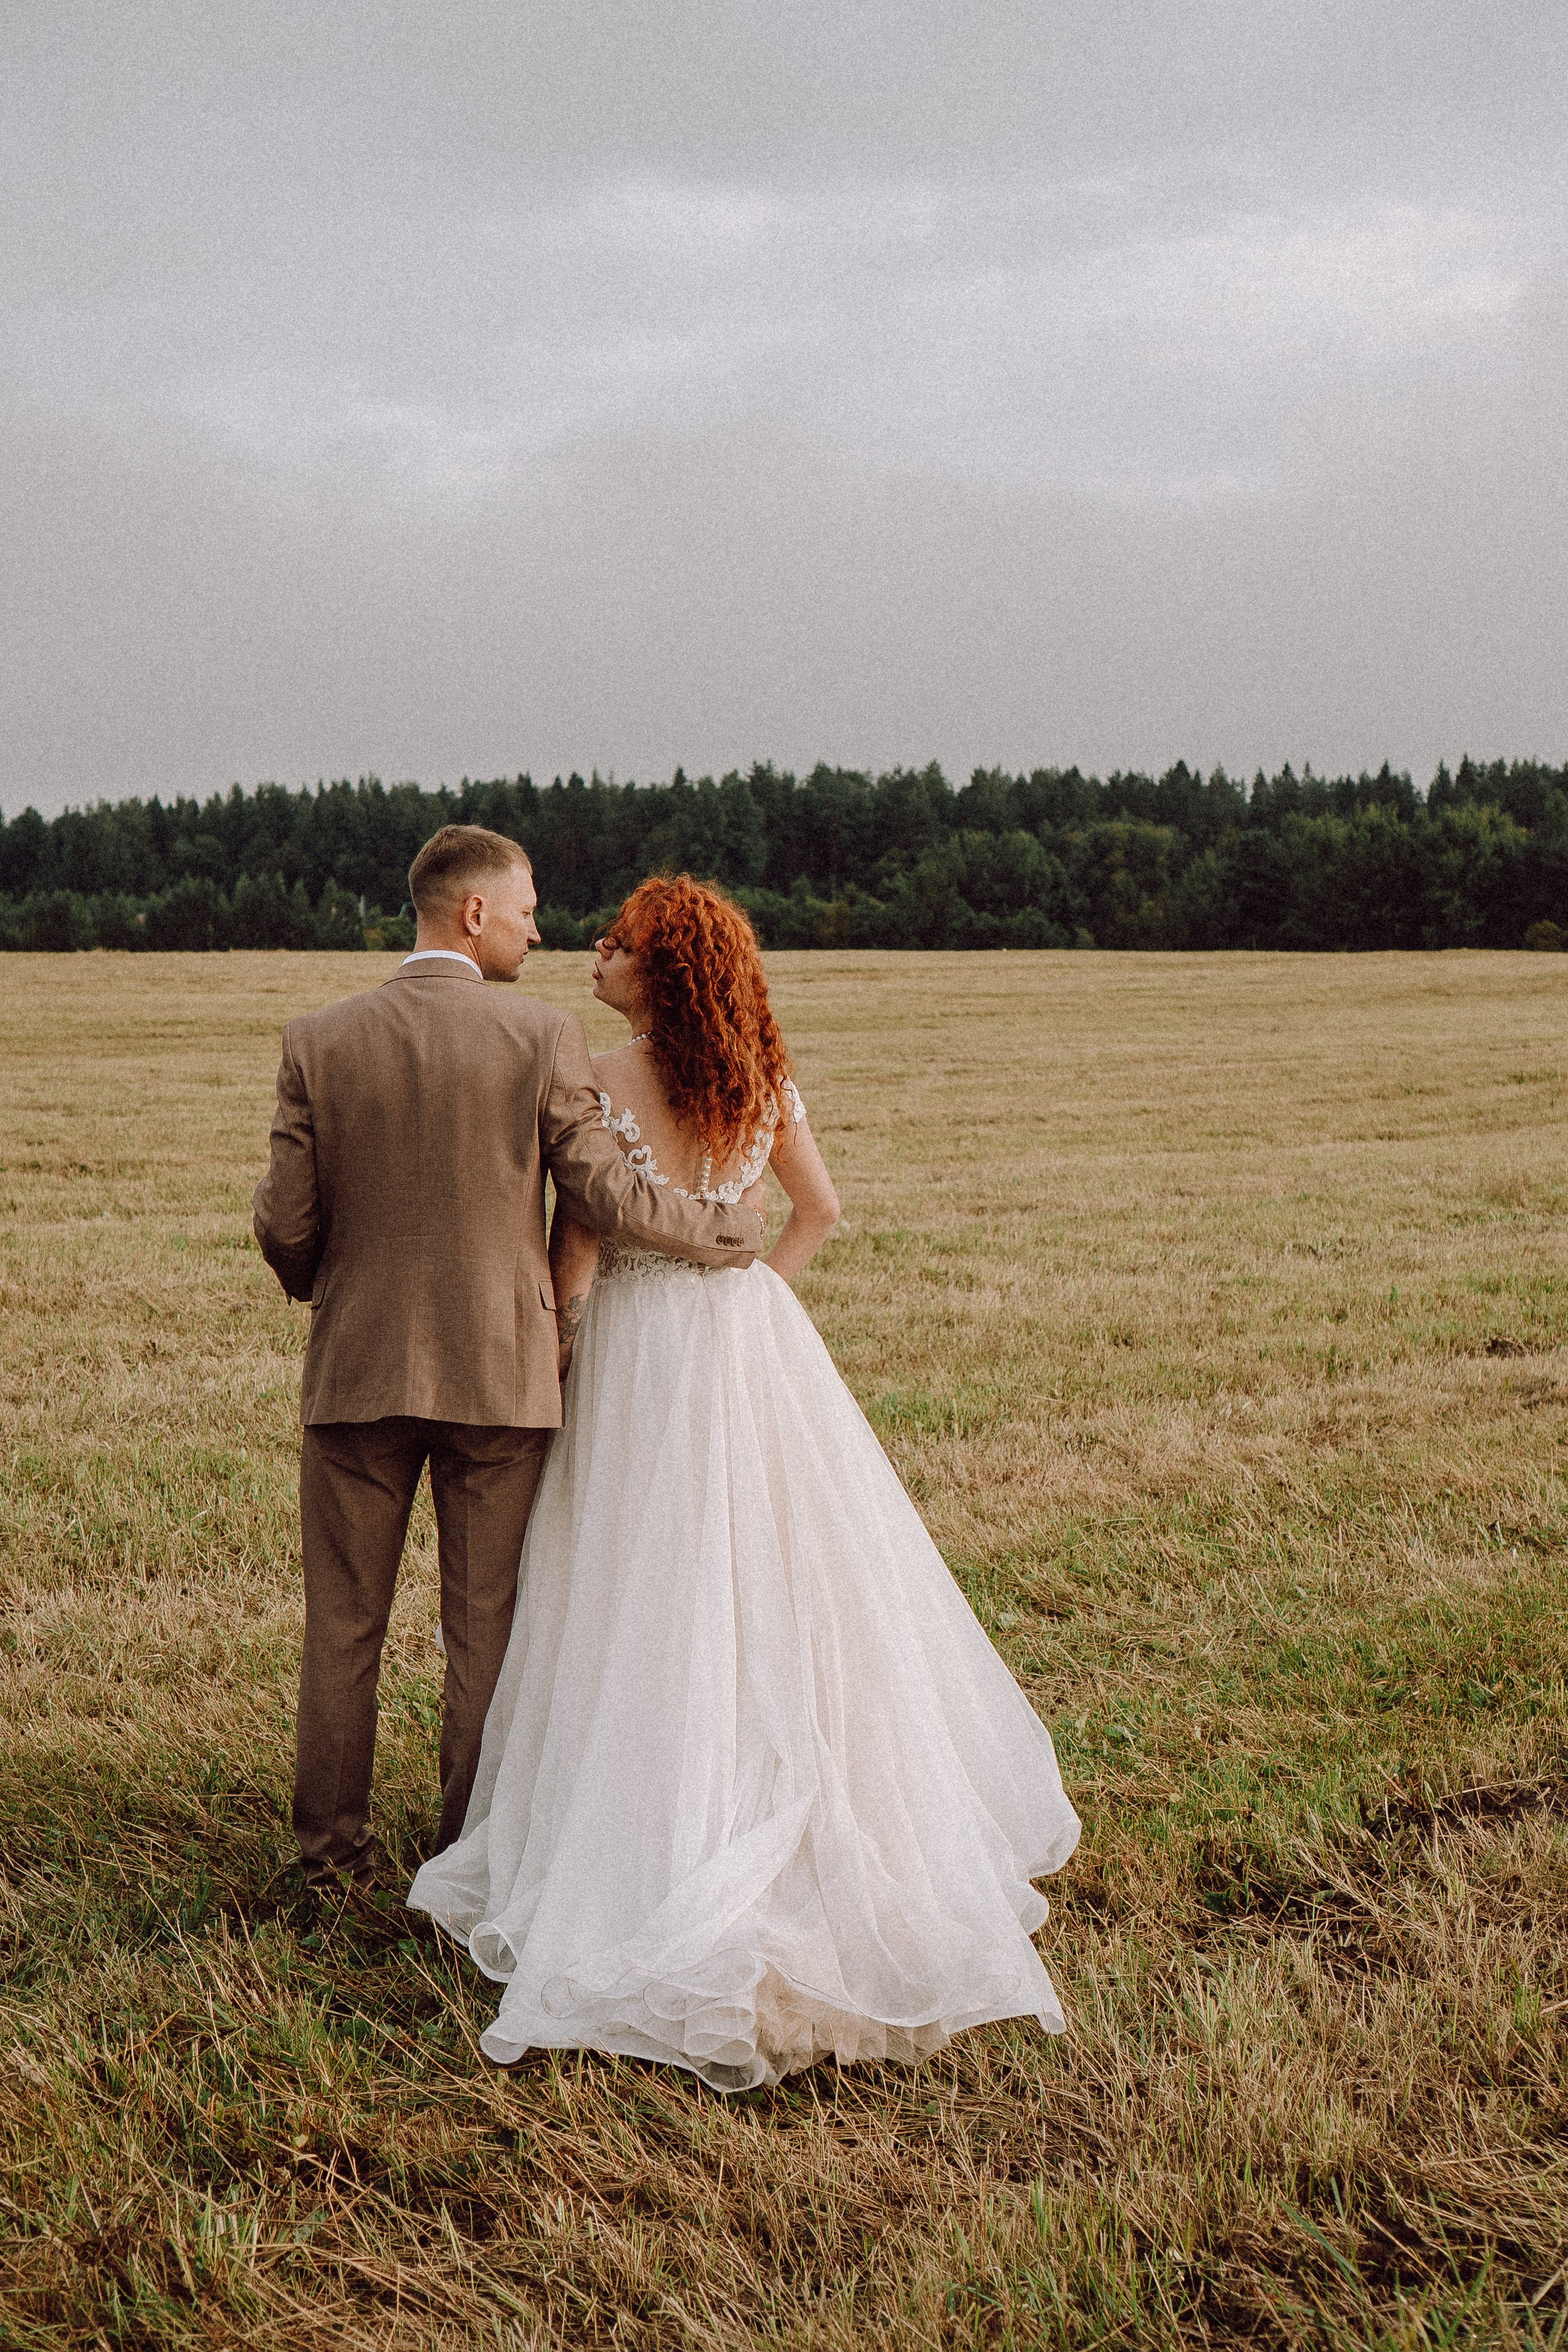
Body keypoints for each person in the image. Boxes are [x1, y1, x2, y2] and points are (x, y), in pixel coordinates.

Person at [408, 875, 1080, 2089]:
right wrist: (755, 1294)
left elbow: (579, 1243)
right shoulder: (759, 1076)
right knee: (777, 1572)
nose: (594, 959)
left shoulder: (597, 1076)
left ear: (656, 973)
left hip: (637, 1350)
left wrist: (563, 1342)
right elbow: (818, 1209)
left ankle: (650, 1817)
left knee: (635, 1581)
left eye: (614, 948)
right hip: (742, 1340)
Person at [252, 827, 765, 1893]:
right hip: (501, 1376)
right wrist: (725, 1233)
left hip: (356, 1372)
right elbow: (606, 1197)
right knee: (484, 1633)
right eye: (527, 909)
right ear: (473, 913)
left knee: (341, 1627)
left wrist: (330, 1288)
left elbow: (285, 1225)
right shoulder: (541, 1037)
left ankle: (326, 1865)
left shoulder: (319, 1038)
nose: (542, 929)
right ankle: (469, 1858)